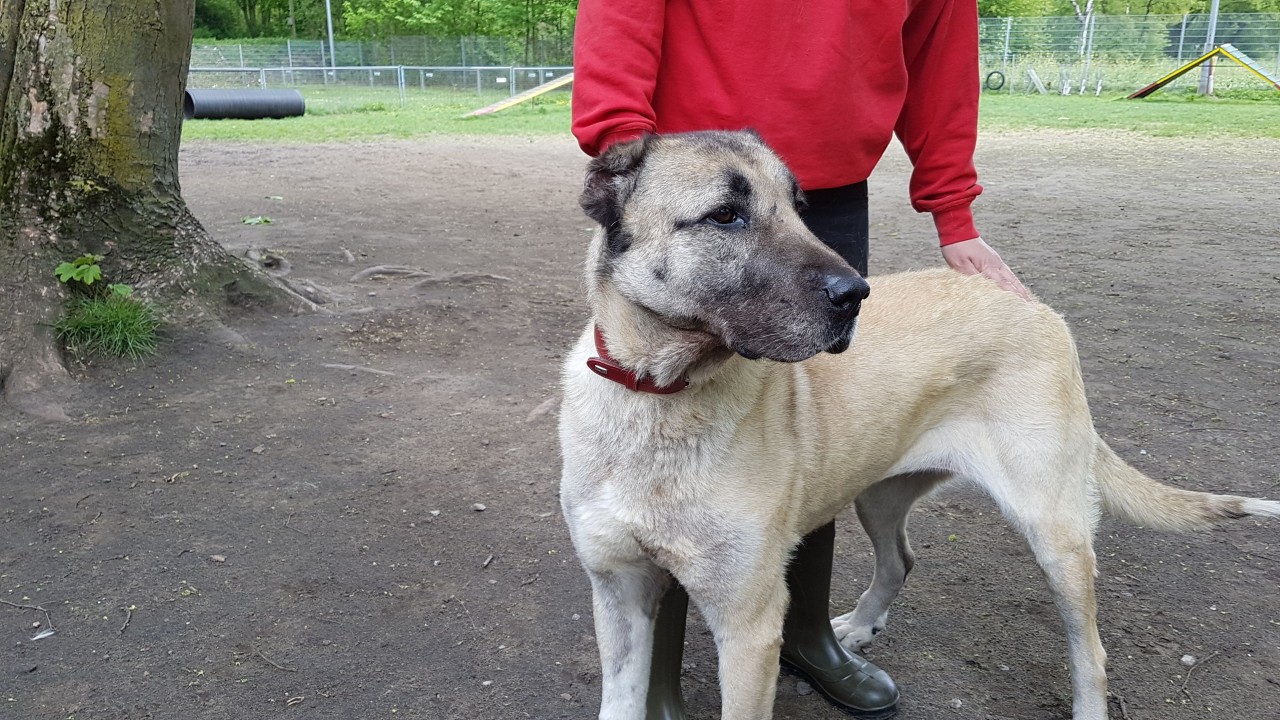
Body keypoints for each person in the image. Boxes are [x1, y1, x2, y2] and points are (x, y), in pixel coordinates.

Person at [570, 1, 1031, 717]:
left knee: (812, 437)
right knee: (657, 446)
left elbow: (940, 44)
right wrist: (635, 159)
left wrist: (954, 212)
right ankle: (651, 688)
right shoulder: (651, 188)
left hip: (812, 180)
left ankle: (804, 631)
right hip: (680, 167)